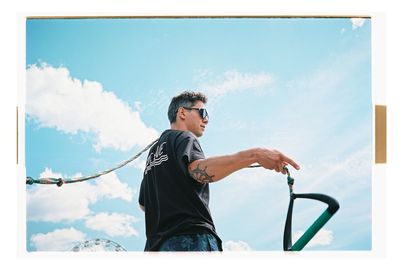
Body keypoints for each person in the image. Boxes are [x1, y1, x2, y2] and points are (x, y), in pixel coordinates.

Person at [138, 91, 300, 252]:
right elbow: (197, 170)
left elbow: (143, 204)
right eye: (202, 112)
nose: (206, 119)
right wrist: (255, 155)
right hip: (191, 240)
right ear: (182, 112)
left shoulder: (153, 154)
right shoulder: (184, 138)